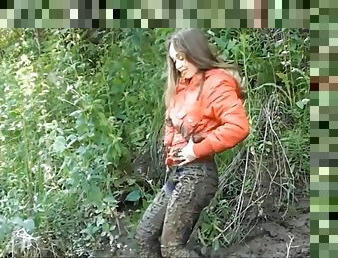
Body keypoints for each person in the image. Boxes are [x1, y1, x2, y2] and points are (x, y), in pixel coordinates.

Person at [135, 29, 250, 258]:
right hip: (178, 173)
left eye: (181, 57)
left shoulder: (216, 82)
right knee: (145, 235)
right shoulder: (182, 87)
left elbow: (239, 127)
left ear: (195, 52)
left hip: (198, 174)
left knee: (172, 249)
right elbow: (172, 126)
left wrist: (196, 148)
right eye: (173, 59)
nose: (177, 65)